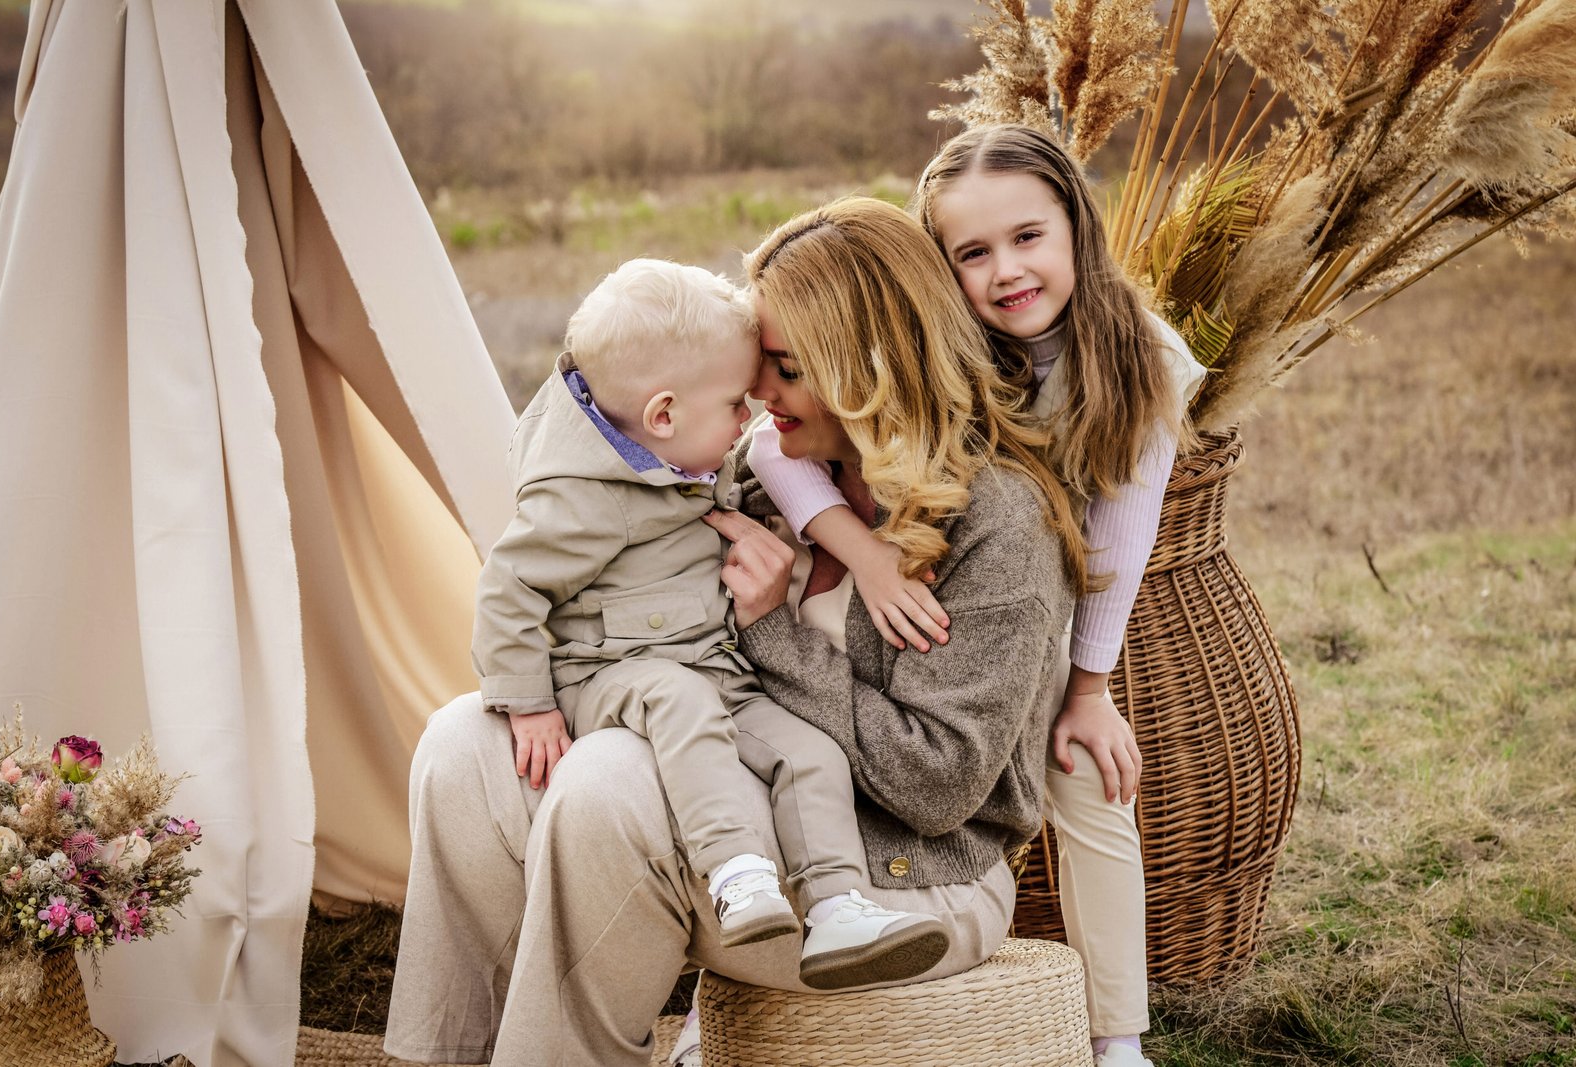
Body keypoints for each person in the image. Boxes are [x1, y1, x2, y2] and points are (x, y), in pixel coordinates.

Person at [384, 199, 1080, 1067]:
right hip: (745, 824)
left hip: (900, 881)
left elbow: (938, 784)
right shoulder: (768, 463)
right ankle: (443, 1056)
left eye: (785, 368)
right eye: (757, 363)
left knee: (609, 782)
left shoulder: (1000, 523)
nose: (759, 394)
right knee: (461, 740)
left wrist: (773, 628)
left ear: (870, 368)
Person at [746, 125, 1207, 1067]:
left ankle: (1116, 1034)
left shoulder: (1141, 360)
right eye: (972, 252)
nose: (1006, 272)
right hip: (950, 574)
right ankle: (737, 1000)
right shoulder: (947, 340)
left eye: (1028, 236)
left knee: (1087, 774)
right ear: (937, 265)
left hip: (1050, 603)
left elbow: (1118, 542)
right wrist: (865, 557)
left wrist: (1089, 690)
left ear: (1076, 225)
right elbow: (767, 445)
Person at [471, 257, 946, 985]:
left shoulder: (682, 457)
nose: (749, 416)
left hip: (712, 672)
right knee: (680, 699)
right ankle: (736, 873)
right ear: (663, 415)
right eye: (732, 403)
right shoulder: (583, 498)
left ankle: (838, 906)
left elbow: (772, 454)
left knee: (811, 752)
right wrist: (528, 703)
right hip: (606, 675)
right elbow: (508, 590)